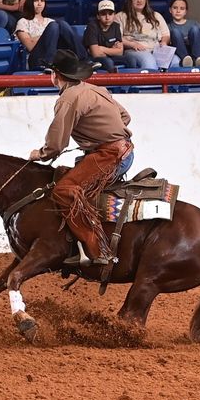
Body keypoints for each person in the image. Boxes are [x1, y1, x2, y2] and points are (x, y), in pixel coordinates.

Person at [29, 49, 134, 267]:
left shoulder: (68, 99)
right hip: (122, 151)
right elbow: (125, 116)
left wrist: (40, 154)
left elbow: (57, 145)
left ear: (55, 75)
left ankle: (96, 249)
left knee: (64, 191)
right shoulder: (95, 89)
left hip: (109, 156)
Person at [15, 0, 84, 70]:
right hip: (36, 59)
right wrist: (48, 36)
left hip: (56, 57)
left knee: (62, 23)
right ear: (30, 2)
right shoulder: (23, 22)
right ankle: (49, 62)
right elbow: (30, 46)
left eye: (42, 1)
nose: (39, 4)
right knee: (54, 26)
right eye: (36, 1)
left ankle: (83, 59)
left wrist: (38, 38)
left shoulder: (50, 21)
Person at [116, 0, 172, 68]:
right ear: (129, 1)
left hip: (156, 49)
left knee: (175, 61)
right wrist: (132, 44)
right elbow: (118, 38)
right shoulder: (120, 16)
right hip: (135, 50)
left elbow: (166, 35)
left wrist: (164, 43)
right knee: (149, 61)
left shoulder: (156, 15)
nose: (139, 1)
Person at [85, 0, 137, 71]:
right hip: (93, 59)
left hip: (110, 57)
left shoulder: (116, 26)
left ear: (114, 15)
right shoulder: (92, 27)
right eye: (103, 14)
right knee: (108, 62)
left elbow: (120, 52)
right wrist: (112, 50)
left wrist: (102, 49)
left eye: (110, 14)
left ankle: (131, 81)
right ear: (98, 16)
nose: (107, 17)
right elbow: (95, 54)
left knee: (131, 60)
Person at [166, 0, 200, 68]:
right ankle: (186, 60)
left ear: (186, 11)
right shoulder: (168, 26)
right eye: (175, 8)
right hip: (181, 56)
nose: (178, 11)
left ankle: (197, 61)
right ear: (170, 10)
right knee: (175, 32)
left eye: (182, 8)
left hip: (199, 54)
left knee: (195, 29)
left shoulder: (194, 23)